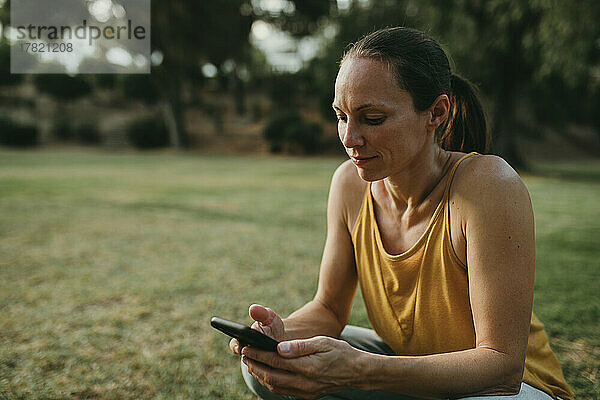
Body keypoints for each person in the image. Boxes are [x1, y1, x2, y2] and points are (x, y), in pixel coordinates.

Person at [228, 27, 574, 400]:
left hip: (509, 390)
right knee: (276, 370)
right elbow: (328, 308)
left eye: (372, 118)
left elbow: (501, 366)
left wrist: (361, 370)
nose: (349, 138)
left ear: (436, 113)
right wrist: (281, 334)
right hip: (414, 370)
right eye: (341, 116)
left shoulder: (489, 186)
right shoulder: (349, 186)